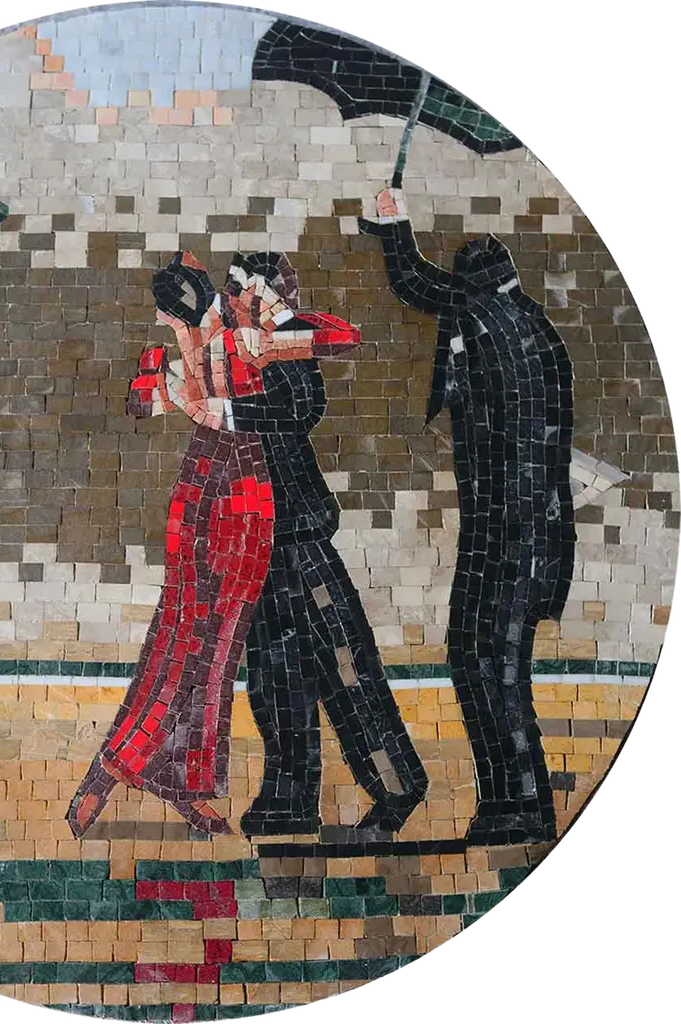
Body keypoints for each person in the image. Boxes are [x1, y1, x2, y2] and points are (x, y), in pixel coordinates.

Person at [359, 187, 576, 845]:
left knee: (486, 661)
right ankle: (512, 801)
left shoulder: (486, 320)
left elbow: (419, 286)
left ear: (472, 289)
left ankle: (522, 804)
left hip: (510, 531)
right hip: (528, 531)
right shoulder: (532, 325)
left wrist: (393, 225)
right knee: (488, 661)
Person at [66, 252, 275, 837]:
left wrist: (192, 373)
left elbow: (239, 407)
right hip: (204, 491)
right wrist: (174, 363)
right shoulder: (191, 349)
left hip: (249, 498)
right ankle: (114, 767)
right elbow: (142, 403)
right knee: (181, 635)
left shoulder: (250, 344)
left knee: (221, 648)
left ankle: (190, 782)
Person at [223, 253, 430, 838]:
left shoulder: (287, 344)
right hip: (259, 540)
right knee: (274, 676)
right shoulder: (235, 347)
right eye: (233, 290)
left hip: (299, 538)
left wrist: (228, 409)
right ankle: (290, 797)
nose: (234, 299)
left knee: (343, 665)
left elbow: (300, 406)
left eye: (244, 289)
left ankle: (397, 784)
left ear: (269, 295)